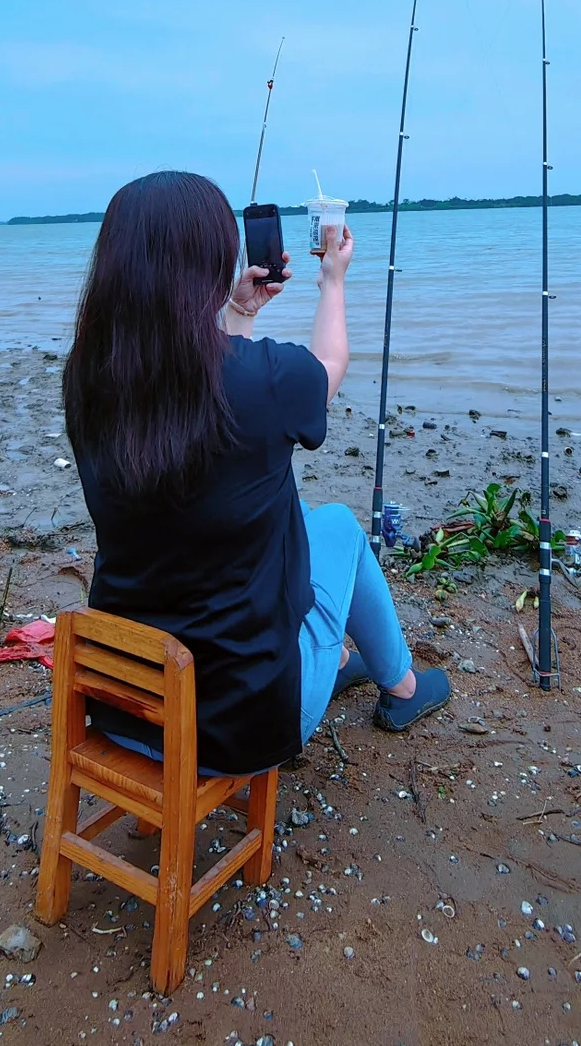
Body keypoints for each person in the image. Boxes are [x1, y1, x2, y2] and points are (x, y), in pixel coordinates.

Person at [63, 169, 449, 775]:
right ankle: (401, 687)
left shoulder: (89, 379)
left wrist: (239, 314)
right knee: (342, 529)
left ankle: (352, 665)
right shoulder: (262, 378)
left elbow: (199, 418)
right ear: (210, 263)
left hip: (125, 703)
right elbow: (328, 366)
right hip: (239, 723)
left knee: (293, 522)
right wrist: (332, 280)